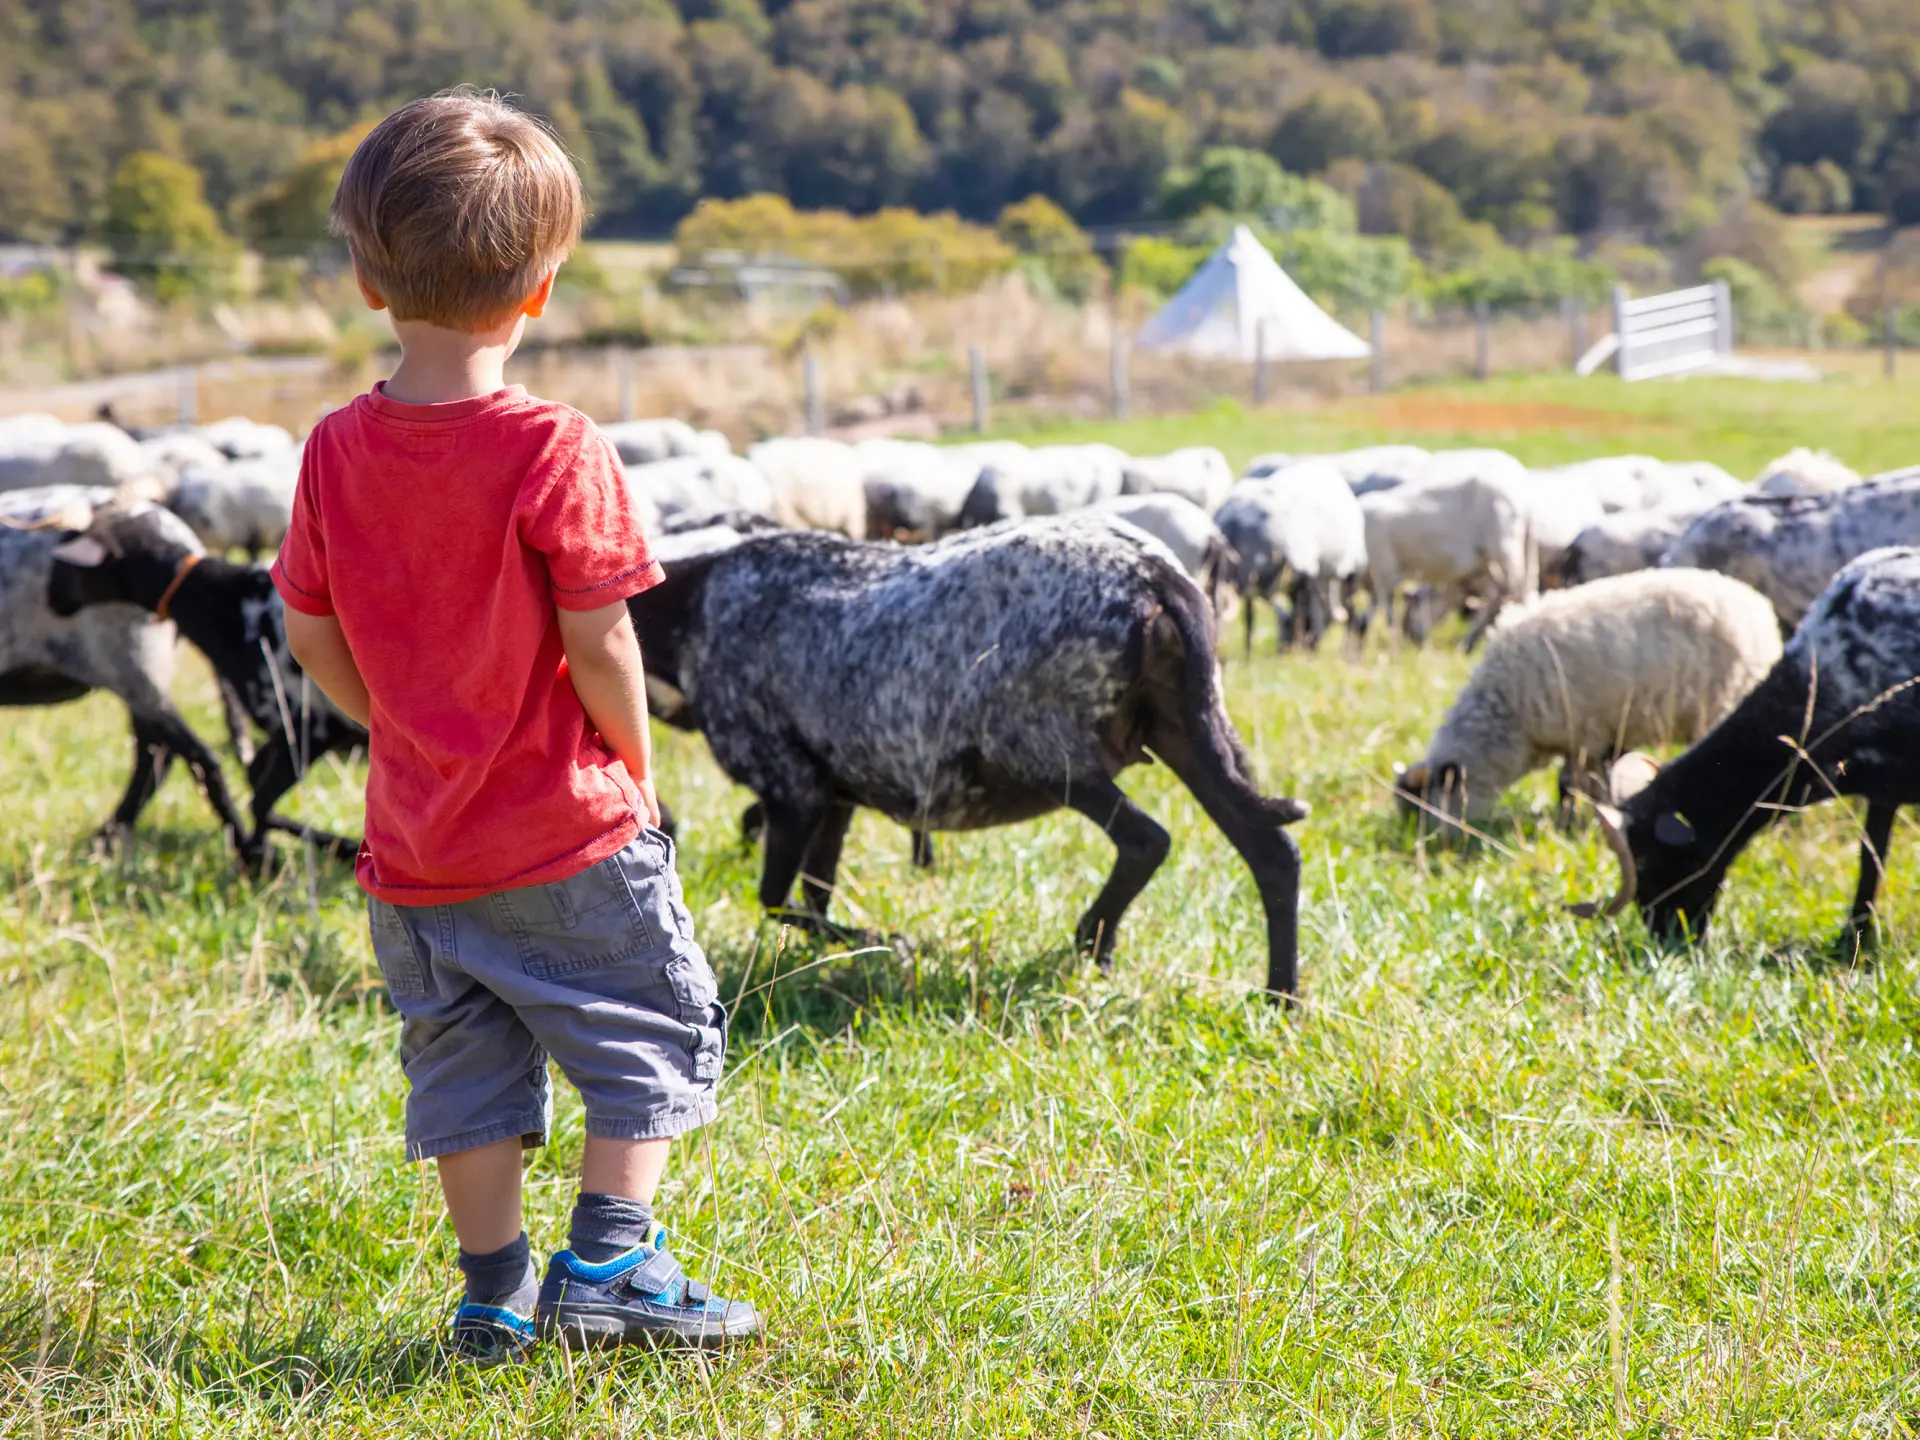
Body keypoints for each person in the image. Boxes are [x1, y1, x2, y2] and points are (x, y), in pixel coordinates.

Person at [275, 88, 757, 1359]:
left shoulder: (333, 450)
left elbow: (310, 630)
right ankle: (609, 1259)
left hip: (416, 846)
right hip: (561, 829)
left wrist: (393, 722)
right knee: (651, 1018)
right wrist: (638, 771)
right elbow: (602, 635)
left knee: (463, 1065)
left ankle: (492, 1300)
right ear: (541, 288)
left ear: (369, 280)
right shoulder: (555, 444)